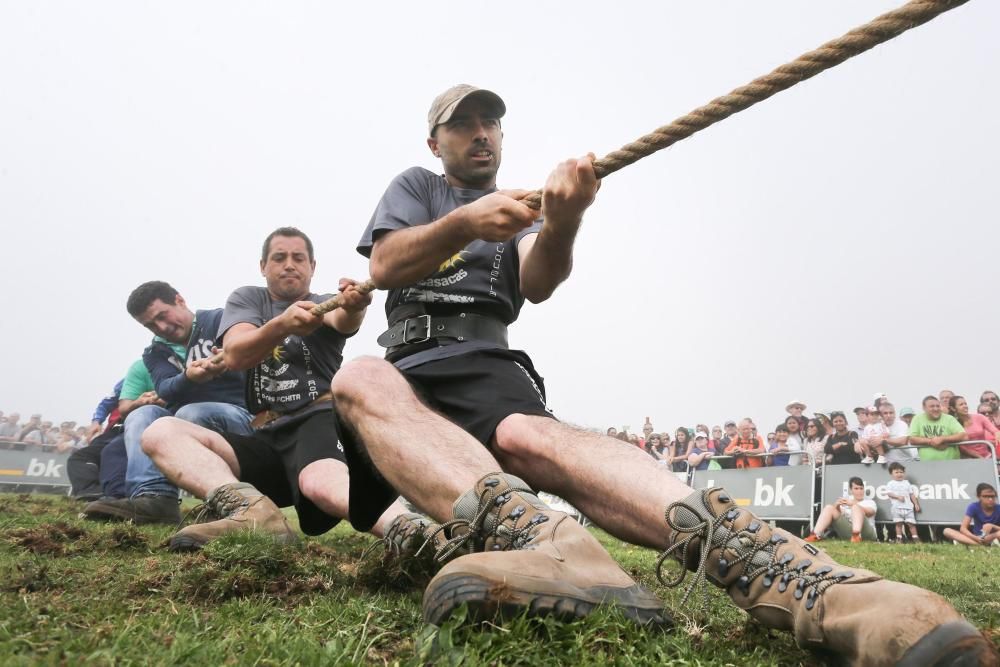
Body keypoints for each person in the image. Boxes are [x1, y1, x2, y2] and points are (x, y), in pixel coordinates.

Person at [326, 84, 994, 664]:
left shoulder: (519, 205)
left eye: (491, 122)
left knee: (533, 436)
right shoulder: (420, 187)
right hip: (408, 365)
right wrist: (466, 220)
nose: (481, 133)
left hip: (486, 360)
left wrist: (563, 221)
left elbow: (540, 279)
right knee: (358, 376)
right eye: (464, 124)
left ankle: (810, 580)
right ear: (434, 140)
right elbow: (386, 266)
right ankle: (535, 538)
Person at [141, 228, 412, 552]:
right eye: (279, 257)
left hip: (317, 422)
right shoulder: (248, 300)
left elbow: (343, 319)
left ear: (312, 266)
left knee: (320, 482)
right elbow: (238, 352)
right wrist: (282, 324)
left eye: (298, 258)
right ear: (263, 266)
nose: (289, 265)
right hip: (264, 434)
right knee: (161, 432)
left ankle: (412, 530)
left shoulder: (322, 303)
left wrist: (356, 304)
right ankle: (252, 512)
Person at [84, 281, 253, 525]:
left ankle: (228, 500)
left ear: (180, 300)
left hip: (241, 415)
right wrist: (189, 376)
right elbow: (165, 388)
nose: (161, 327)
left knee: (189, 414)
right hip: (186, 420)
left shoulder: (222, 321)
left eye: (162, 315)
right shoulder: (154, 353)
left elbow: (256, 357)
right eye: (151, 325)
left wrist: (232, 360)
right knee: (142, 414)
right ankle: (155, 497)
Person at [805, 476, 877, 543]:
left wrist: (853, 504)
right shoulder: (847, 501)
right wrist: (837, 507)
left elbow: (870, 512)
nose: (859, 491)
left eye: (861, 488)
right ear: (851, 490)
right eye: (856, 488)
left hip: (867, 533)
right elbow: (839, 515)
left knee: (856, 507)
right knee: (829, 507)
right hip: (849, 533)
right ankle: (815, 535)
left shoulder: (869, 502)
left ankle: (856, 535)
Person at [908, 396, 966, 461]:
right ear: (924, 408)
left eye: (938, 406)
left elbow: (963, 435)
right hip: (927, 465)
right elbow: (912, 439)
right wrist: (931, 442)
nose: (936, 409)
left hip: (951, 463)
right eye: (932, 406)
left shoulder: (949, 418)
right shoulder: (917, 419)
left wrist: (943, 439)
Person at [885, 462, 921, 543]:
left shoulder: (907, 483)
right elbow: (889, 493)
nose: (899, 474)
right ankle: (899, 538)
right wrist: (897, 497)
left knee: (911, 524)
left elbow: (911, 494)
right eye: (896, 472)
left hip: (908, 507)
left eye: (901, 472)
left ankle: (915, 538)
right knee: (898, 524)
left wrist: (916, 504)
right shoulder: (890, 483)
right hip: (897, 507)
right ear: (891, 473)